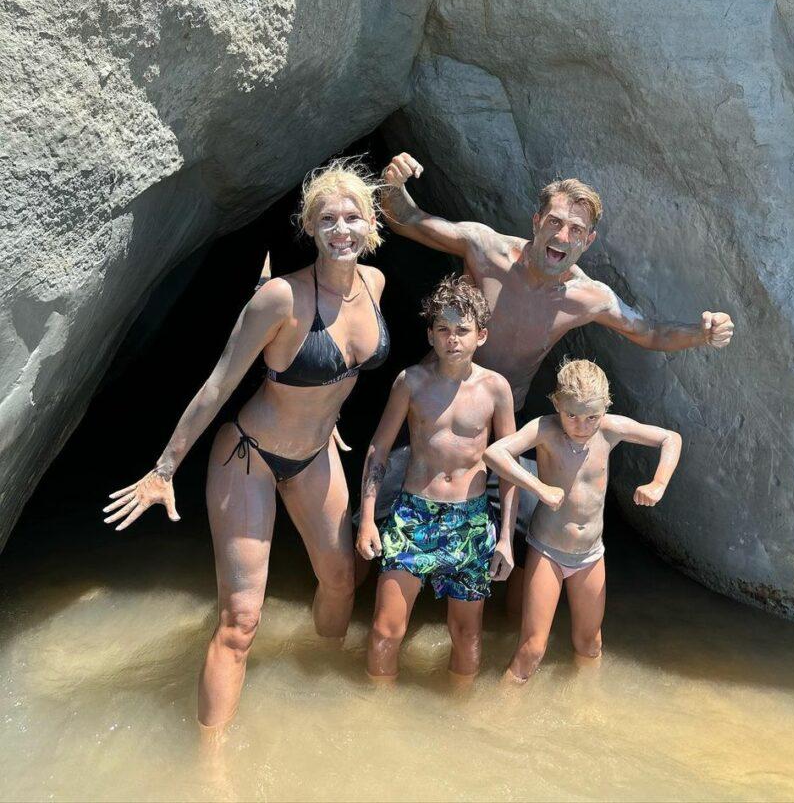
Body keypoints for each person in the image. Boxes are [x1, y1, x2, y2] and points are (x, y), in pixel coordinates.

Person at [103, 158, 389, 731]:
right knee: (241, 620)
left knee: (340, 581)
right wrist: (164, 469)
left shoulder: (375, 283)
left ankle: (322, 693)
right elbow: (218, 385)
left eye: (352, 217)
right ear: (309, 227)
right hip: (249, 455)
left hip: (315, 455)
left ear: (370, 223)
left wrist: (327, 411)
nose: (341, 229)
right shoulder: (280, 297)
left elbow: (344, 370)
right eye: (327, 219)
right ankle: (209, 761)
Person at [376, 152, 732, 580]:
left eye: (576, 229)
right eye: (555, 222)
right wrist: (393, 182)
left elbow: (650, 332)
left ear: (588, 240)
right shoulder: (487, 250)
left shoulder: (588, 297)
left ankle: (511, 613)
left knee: (531, 539)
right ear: (536, 222)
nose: (563, 235)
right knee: (372, 520)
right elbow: (408, 220)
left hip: (505, 425)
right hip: (435, 412)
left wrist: (702, 332)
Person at [356, 277, 517, 681]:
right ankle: (375, 709)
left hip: (471, 519)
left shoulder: (496, 389)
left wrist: (506, 537)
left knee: (466, 635)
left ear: (481, 335)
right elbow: (379, 449)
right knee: (384, 631)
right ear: (430, 334)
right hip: (413, 516)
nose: (452, 339)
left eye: (462, 329)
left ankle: (459, 709)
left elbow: (509, 467)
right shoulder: (410, 382)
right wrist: (367, 518)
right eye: (443, 329)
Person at [483, 359, 681, 682]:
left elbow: (670, 438)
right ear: (557, 403)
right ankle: (501, 708)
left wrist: (658, 483)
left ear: (605, 408)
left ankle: (589, 706)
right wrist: (539, 487)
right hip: (547, 550)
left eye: (592, 417)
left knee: (590, 644)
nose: (581, 425)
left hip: (590, 554)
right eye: (572, 415)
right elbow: (494, 453)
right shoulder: (545, 429)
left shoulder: (610, 429)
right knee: (532, 649)